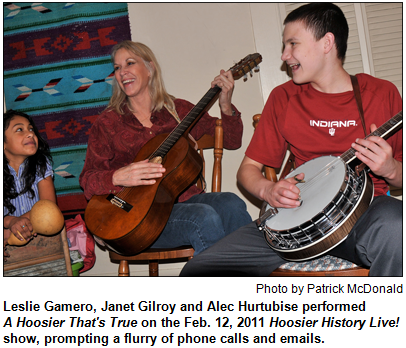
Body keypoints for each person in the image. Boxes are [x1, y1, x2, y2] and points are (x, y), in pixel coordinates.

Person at [180, 3, 402, 276]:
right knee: (199, 271)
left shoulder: (380, 93)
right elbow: (247, 171)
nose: (284, 55)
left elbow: (401, 177)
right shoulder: (283, 98)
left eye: (292, 44)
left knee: (398, 228)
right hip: (293, 221)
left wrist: (391, 169)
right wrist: (268, 190)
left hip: (362, 217)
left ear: (327, 43)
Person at [79, 40, 251, 256]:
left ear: (150, 69)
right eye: (117, 67)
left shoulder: (178, 111)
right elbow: (88, 180)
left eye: (130, 63)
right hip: (138, 218)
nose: (122, 72)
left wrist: (225, 103)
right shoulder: (107, 123)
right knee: (204, 216)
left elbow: (232, 141)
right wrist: (118, 176)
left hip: (186, 201)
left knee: (232, 203)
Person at [3, 109, 56, 261]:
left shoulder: (41, 164)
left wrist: (17, 224)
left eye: (31, 129)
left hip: (41, 238)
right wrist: (10, 222)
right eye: (19, 129)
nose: (30, 133)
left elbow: (48, 206)